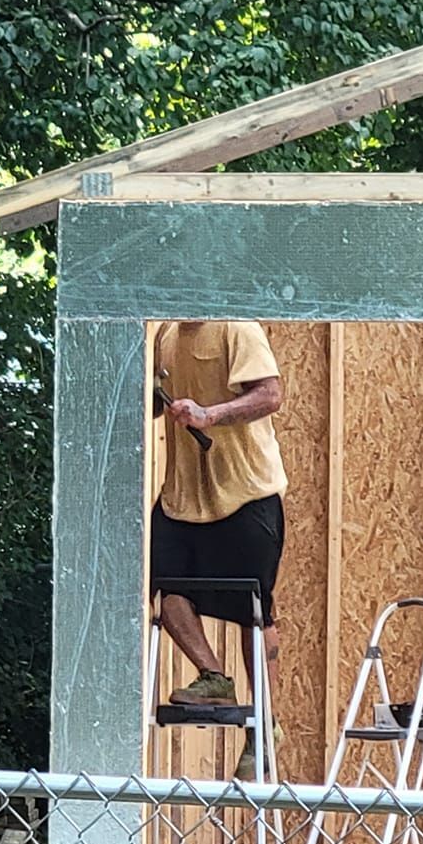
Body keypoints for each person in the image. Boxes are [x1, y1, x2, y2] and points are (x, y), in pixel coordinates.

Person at [150, 319, 286, 780]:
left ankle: (263, 727)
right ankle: (213, 677)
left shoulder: (236, 328)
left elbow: (270, 395)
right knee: (166, 589)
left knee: (254, 612)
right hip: (183, 495)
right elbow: (153, 398)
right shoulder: (166, 334)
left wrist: (210, 415)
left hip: (246, 492)